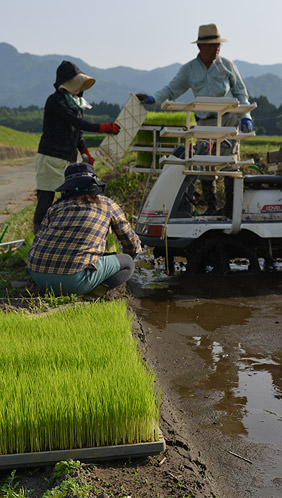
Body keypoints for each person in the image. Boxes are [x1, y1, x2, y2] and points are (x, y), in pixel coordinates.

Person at [136, 24, 254, 215]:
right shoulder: (189, 70)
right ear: (200, 47)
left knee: (229, 160)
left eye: (218, 45)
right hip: (204, 122)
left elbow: (240, 91)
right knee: (205, 162)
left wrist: (245, 116)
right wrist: (154, 99)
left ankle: (231, 207)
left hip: (227, 119)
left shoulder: (227, 66)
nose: (217, 49)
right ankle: (212, 206)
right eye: (212, 45)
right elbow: (172, 89)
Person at [26, 162, 142, 297]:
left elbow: (37, 240)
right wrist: (131, 255)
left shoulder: (57, 207)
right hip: (73, 281)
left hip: (38, 275)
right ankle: (91, 294)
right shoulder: (107, 204)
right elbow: (131, 243)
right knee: (127, 263)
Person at [33, 60, 121, 234]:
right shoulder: (55, 101)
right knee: (46, 199)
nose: (80, 89)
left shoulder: (75, 103)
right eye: (77, 84)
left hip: (67, 159)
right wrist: (103, 128)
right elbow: (76, 122)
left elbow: (77, 131)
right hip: (51, 156)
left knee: (67, 199)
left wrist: (85, 151)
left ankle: (59, 233)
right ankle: (38, 237)